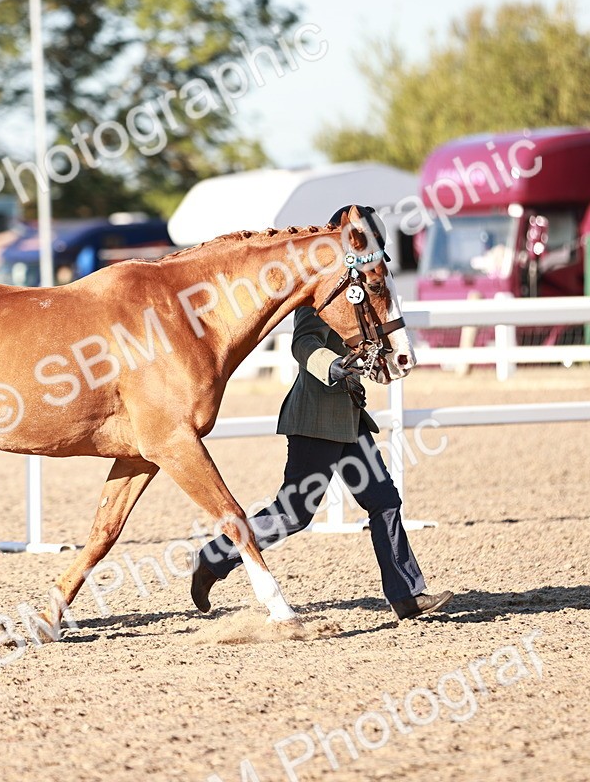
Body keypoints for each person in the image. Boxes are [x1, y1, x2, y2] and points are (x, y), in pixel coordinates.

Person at [189, 205, 453, 622]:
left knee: (384, 500)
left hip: (349, 418)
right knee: (294, 513)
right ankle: (216, 555)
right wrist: (333, 365)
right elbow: (304, 344)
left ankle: (406, 595)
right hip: (315, 420)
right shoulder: (316, 289)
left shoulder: (357, 286)